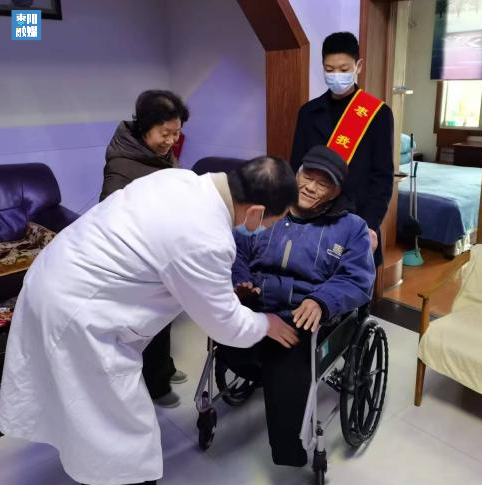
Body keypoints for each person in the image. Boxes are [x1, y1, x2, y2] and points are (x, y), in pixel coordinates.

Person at [0, 157, 301, 485]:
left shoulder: (178, 180)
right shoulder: (208, 238)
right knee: (121, 435)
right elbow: (225, 326)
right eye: (272, 223)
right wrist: (266, 324)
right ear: (256, 211)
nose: (265, 230)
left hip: (54, 274)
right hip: (78, 312)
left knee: (79, 405)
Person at [219, 145, 376, 467]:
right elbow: (237, 249)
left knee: (286, 359)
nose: (310, 187)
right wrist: (242, 281)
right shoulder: (269, 209)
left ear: (336, 191)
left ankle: (288, 453)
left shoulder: (352, 227)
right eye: (307, 176)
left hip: (303, 315)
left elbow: (358, 279)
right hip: (257, 303)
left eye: (323, 183)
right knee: (227, 340)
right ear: (296, 174)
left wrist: (322, 300)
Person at [100, 90, 190, 409]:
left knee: (164, 314)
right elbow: (109, 217)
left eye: (176, 133)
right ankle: (155, 384)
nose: (171, 141)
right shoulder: (122, 164)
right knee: (145, 321)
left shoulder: (159, 154)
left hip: (163, 250)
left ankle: (162, 367)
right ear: (144, 127)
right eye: (165, 133)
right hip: (138, 257)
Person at [291, 32, 394, 266]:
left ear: (358, 66)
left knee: (352, 282)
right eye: (330, 69)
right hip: (313, 218)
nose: (336, 75)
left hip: (356, 219)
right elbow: (295, 167)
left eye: (344, 69)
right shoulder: (308, 113)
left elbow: (382, 176)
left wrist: (369, 225)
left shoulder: (378, 114)